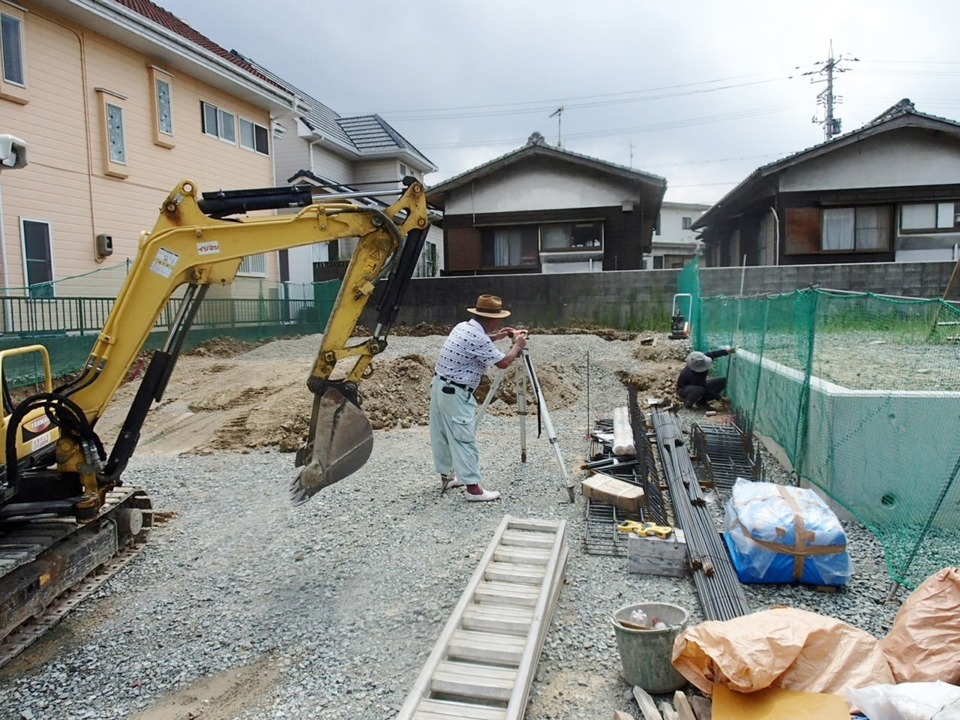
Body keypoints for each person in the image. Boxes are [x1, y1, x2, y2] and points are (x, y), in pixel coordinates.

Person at [430, 294, 528, 502]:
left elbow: (479, 343)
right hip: (455, 392)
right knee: (464, 438)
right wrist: (517, 345)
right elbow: (502, 363)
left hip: (440, 386)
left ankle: (448, 477)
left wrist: (498, 337)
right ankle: (473, 490)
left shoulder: (462, 327)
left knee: (442, 435)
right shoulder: (477, 338)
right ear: (493, 320)